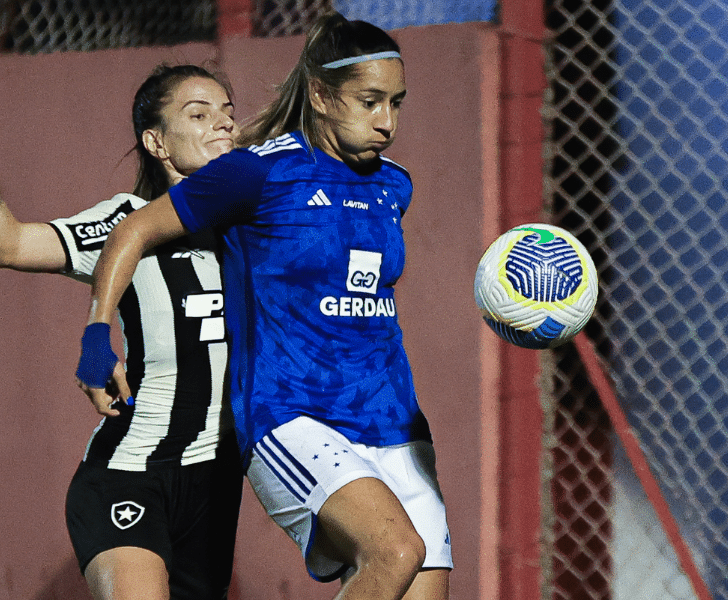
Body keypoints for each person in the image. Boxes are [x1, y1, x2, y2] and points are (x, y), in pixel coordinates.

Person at [76, 12, 452, 600]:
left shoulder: (393, 185)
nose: (387, 122)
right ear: (323, 96)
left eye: (397, 103)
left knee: (421, 585)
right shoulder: (256, 173)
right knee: (395, 551)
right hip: (292, 416)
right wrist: (97, 336)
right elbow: (133, 231)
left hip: (393, 418)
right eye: (371, 101)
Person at [0, 44, 243, 600]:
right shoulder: (125, 220)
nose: (221, 122)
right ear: (156, 142)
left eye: (226, 110)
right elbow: (5, 243)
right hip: (130, 473)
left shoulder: (255, 229)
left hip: (216, 488)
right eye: (197, 114)